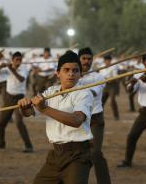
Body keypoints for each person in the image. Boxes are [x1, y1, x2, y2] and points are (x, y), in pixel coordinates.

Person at [18, 50, 93, 184]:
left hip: (77, 155)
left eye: (75, 70)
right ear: (58, 73)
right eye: (66, 70)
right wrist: (24, 108)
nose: (71, 74)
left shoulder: (84, 94)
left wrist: (44, 108)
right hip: (56, 154)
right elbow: (30, 113)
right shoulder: (51, 92)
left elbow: (76, 120)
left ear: (80, 74)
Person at [78, 47, 111, 184]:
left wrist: (77, 82)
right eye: (84, 58)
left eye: (89, 59)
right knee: (78, 155)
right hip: (78, 119)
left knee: (96, 153)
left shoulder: (98, 77)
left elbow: (91, 94)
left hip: (95, 119)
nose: (86, 61)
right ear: (78, 59)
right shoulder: (71, 76)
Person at [0, 52, 33, 152]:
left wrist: (11, 69)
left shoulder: (24, 69)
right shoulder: (7, 67)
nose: (19, 62)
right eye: (16, 60)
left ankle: (29, 146)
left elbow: (21, 79)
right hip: (9, 98)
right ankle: (1, 143)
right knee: (1, 123)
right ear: (12, 60)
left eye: (20, 60)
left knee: (19, 122)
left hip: (20, 99)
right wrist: (0, 67)